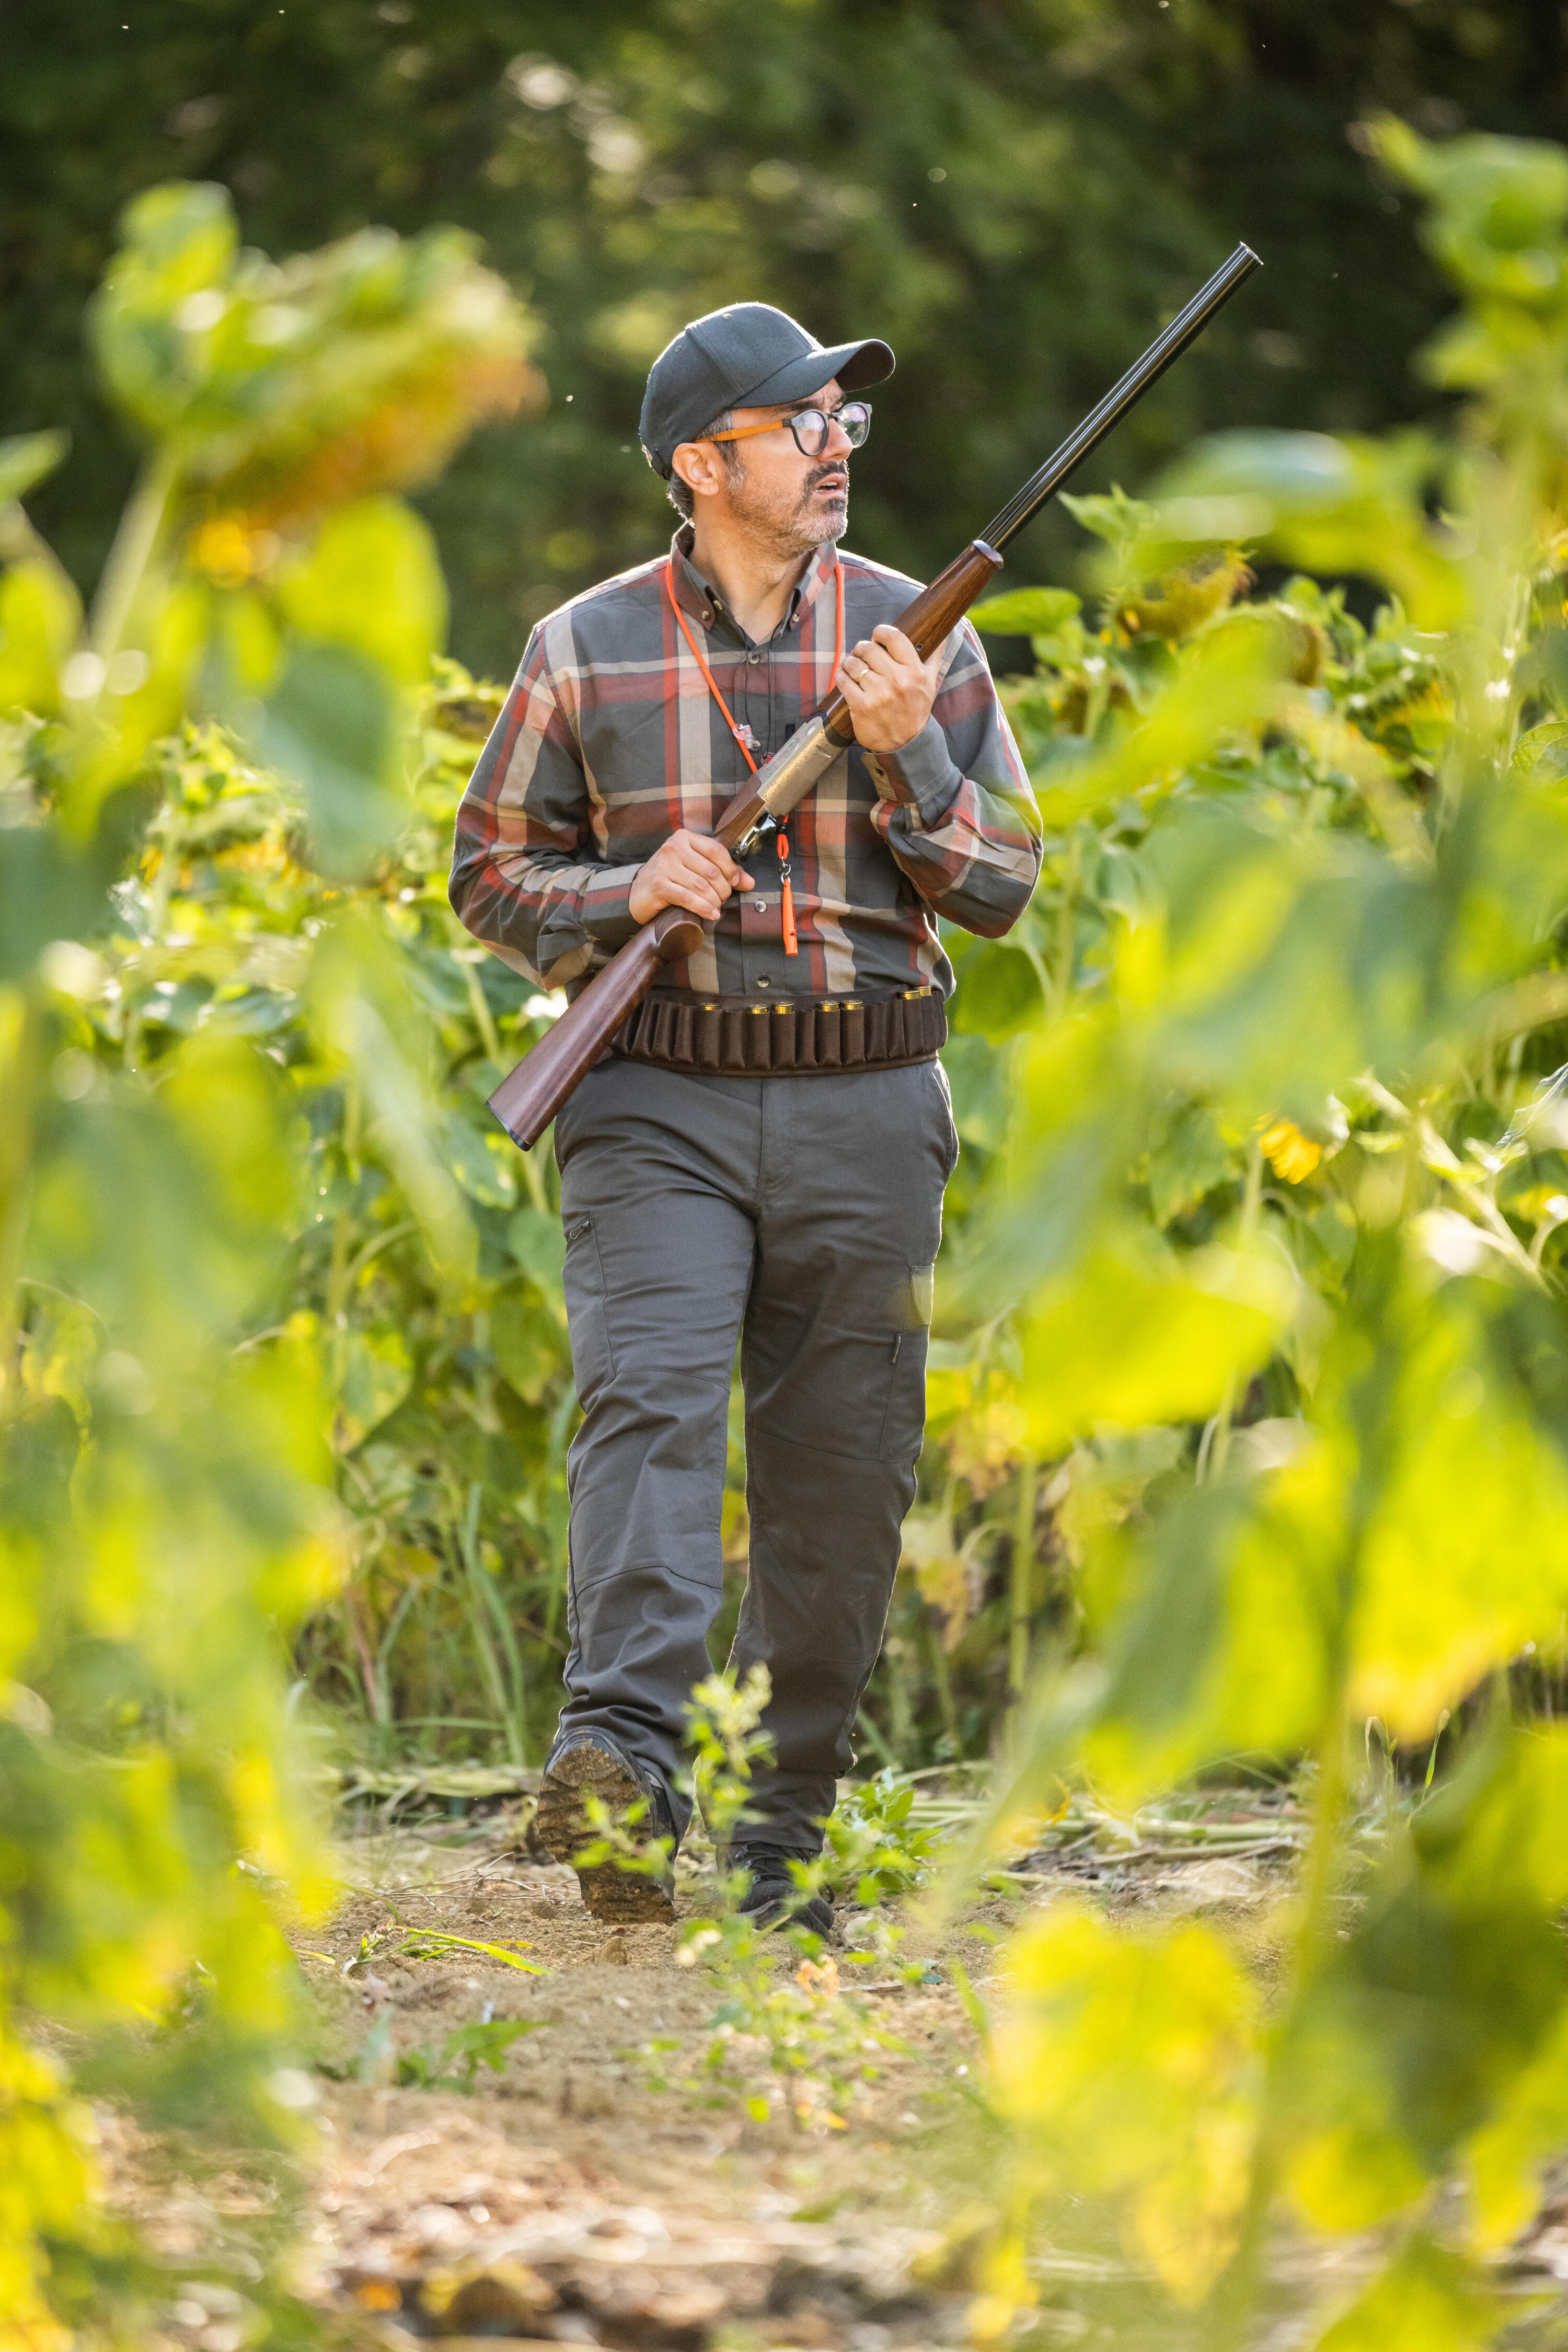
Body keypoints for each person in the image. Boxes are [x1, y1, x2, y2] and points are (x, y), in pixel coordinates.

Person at [451, 301, 1041, 1934]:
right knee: (645, 1401)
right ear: (704, 465)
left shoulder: (922, 643)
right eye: (803, 422)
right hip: (658, 1090)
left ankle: (784, 1841)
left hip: (867, 1090)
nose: (838, 440)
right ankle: (621, 1772)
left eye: (843, 417)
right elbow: (487, 874)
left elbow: (1000, 884)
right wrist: (625, 884)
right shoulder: (584, 644)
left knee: (842, 1474)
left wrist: (914, 758)